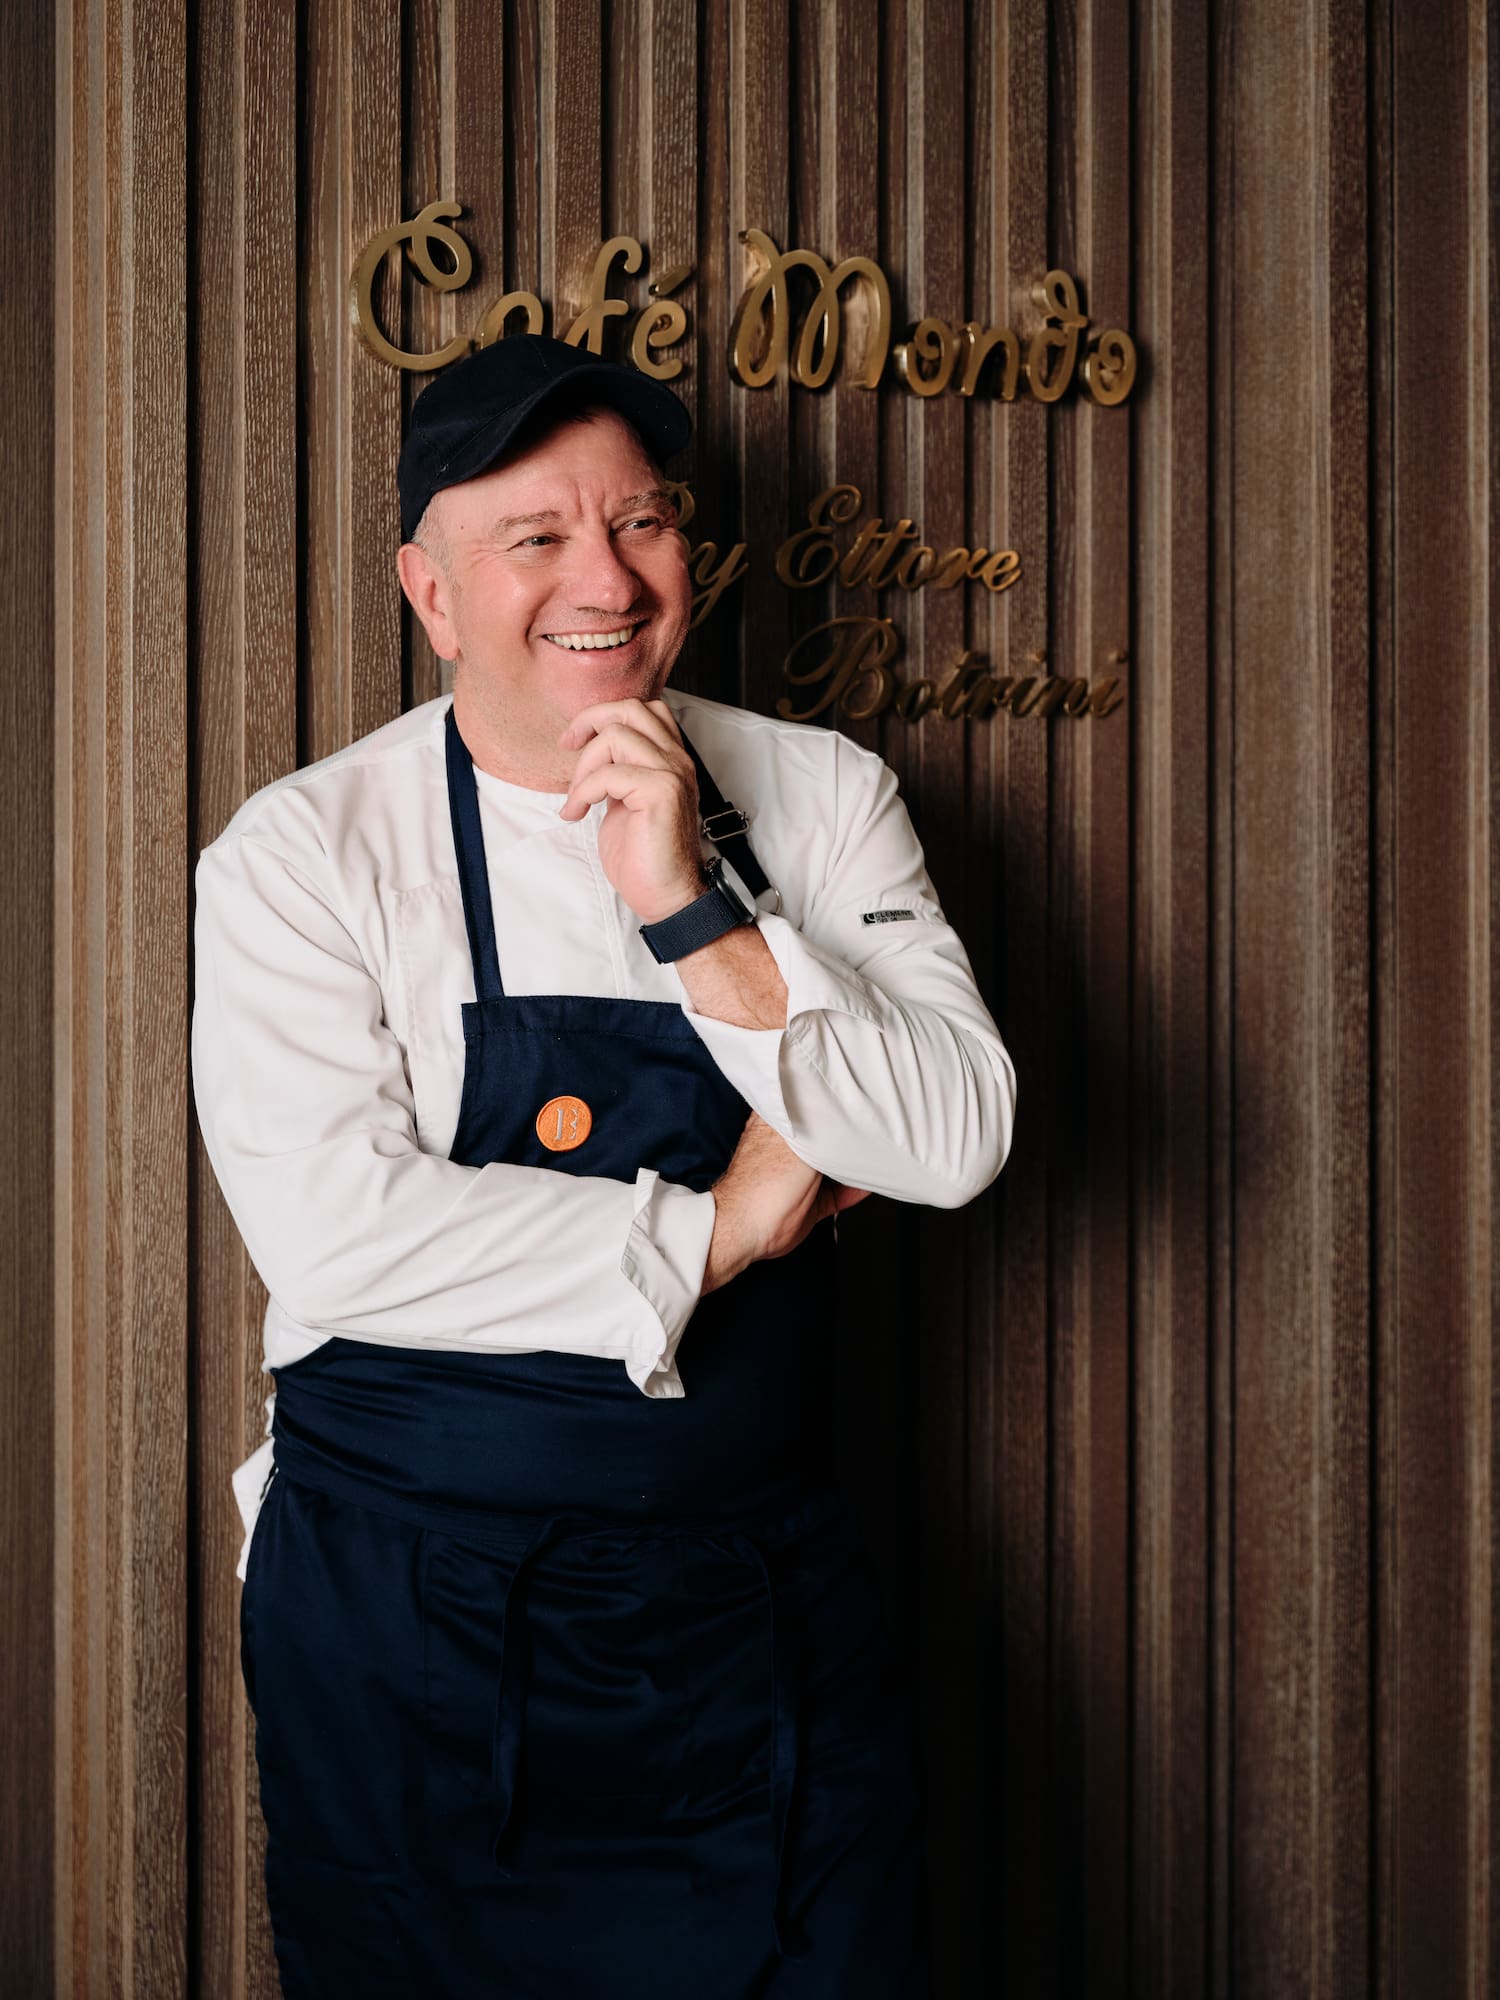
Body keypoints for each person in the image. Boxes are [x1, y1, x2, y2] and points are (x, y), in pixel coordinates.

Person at [191, 332, 1016, 1998]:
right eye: (537, 539)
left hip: (753, 1617)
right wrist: (723, 1227)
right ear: (430, 592)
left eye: (641, 525)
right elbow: (343, 1242)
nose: (606, 579)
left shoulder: (815, 794)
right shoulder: (301, 854)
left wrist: (693, 909)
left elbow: (956, 1131)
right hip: (411, 1637)